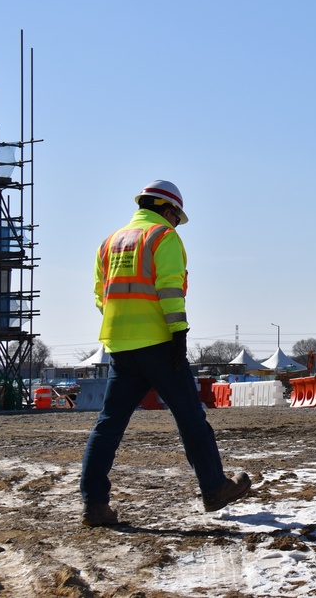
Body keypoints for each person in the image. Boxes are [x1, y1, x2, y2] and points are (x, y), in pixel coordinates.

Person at [80, 180, 251, 527]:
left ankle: (94, 505)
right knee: (191, 419)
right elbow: (170, 289)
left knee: (108, 426)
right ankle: (215, 488)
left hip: (120, 347)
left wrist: (125, 326)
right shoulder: (162, 237)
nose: (176, 222)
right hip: (159, 344)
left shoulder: (109, 243)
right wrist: (178, 334)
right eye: (176, 215)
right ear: (165, 208)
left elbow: (101, 296)